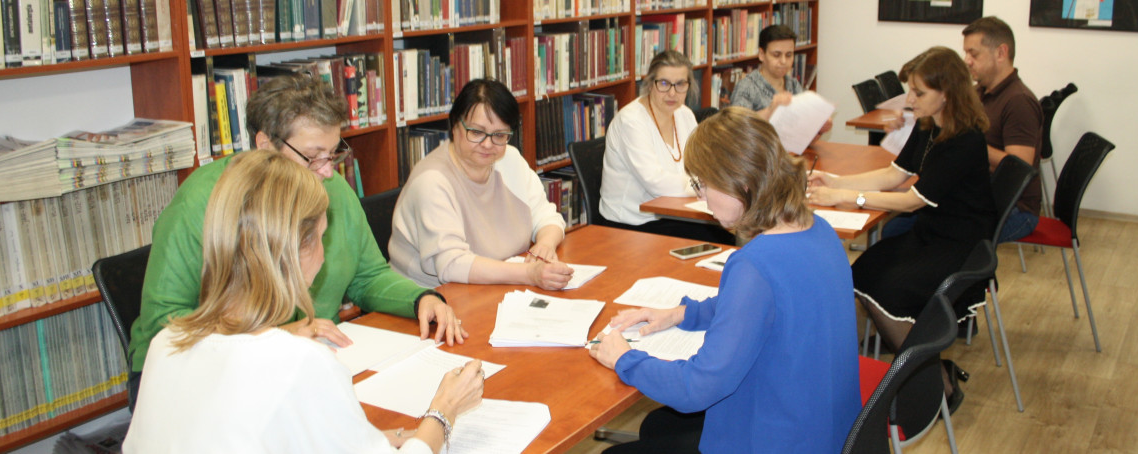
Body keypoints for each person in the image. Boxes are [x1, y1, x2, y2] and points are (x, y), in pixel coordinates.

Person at [129, 74, 464, 406]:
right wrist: (276, 339)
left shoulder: (331, 190)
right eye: (312, 156)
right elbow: (167, 324)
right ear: (264, 145)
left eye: (332, 154)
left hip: (311, 362)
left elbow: (367, 276)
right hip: (197, 377)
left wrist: (420, 299)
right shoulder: (202, 204)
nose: (327, 171)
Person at [125, 150, 484, 453]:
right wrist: (443, 412)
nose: (324, 259)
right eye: (321, 240)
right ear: (294, 251)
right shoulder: (300, 364)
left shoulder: (164, 345)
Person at [588, 108, 860, 453]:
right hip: (824, 431)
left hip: (773, 441)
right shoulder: (820, 230)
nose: (700, 196)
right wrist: (680, 314)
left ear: (740, 181)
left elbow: (697, 389)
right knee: (659, 424)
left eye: (703, 183)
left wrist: (623, 358)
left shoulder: (753, 264)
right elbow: (762, 305)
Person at [807, 46, 994, 414]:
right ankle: (925, 371)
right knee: (863, 272)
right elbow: (897, 174)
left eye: (919, 92)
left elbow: (912, 200)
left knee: (891, 290)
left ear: (948, 93)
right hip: (933, 233)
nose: (909, 99)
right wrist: (837, 182)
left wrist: (849, 199)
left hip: (959, 243)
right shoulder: (931, 124)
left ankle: (933, 385)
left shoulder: (965, 139)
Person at [388, 79, 571, 289]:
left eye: (499, 135)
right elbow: (452, 264)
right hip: (429, 298)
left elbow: (547, 216)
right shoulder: (432, 181)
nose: (487, 144)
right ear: (455, 126)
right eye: (476, 132)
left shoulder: (509, 160)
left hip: (494, 287)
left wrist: (545, 244)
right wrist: (530, 273)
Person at [599, 51, 737, 246]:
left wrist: (711, 182)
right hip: (632, 223)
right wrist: (705, 187)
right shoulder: (631, 121)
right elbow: (655, 183)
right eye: (664, 83)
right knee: (722, 241)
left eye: (680, 84)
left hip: (673, 214)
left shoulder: (684, 114)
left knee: (730, 234)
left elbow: (703, 162)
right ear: (649, 83)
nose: (672, 93)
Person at [962, 16, 1044, 241]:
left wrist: (970, 144)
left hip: (1015, 210)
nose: (967, 60)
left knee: (933, 232)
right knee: (908, 223)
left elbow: (1019, 167)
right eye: (966, 53)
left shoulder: (1019, 101)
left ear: (1000, 53)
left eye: (973, 54)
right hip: (983, 195)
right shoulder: (981, 92)